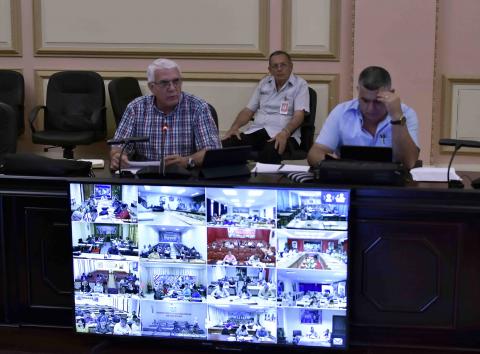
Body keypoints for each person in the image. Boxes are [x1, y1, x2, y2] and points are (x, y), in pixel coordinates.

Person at [110, 58, 221, 170]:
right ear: (152, 87)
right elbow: (118, 146)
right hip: (145, 176)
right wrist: (118, 156)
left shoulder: (198, 107)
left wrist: (187, 161)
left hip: (185, 176)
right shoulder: (136, 108)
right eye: (164, 83)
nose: (172, 88)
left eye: (176, 81)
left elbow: (212, 151)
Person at [307, 66, 419, 169]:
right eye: (365, 100)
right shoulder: (341, 112)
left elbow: (408, 163)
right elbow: (314, 154)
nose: (370, 108)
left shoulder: (406, 114)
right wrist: (339, 166)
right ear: (358, 90)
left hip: (391, 184)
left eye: (377, 101)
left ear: (391, 94)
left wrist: (396, 117)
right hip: (348, 178)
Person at [222, 50, 310, 163]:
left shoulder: (300, 84)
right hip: (258, 131)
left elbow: (299, 115)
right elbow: (248, 111)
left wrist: (285, 133)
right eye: (275, 66)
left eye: (283, 65)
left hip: (284, 134)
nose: (279, 69)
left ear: (291, 67)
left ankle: (263, 181)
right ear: (270, 70)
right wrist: (234, 127)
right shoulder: (264, 83)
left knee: (270, 150)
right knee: (225, 145)